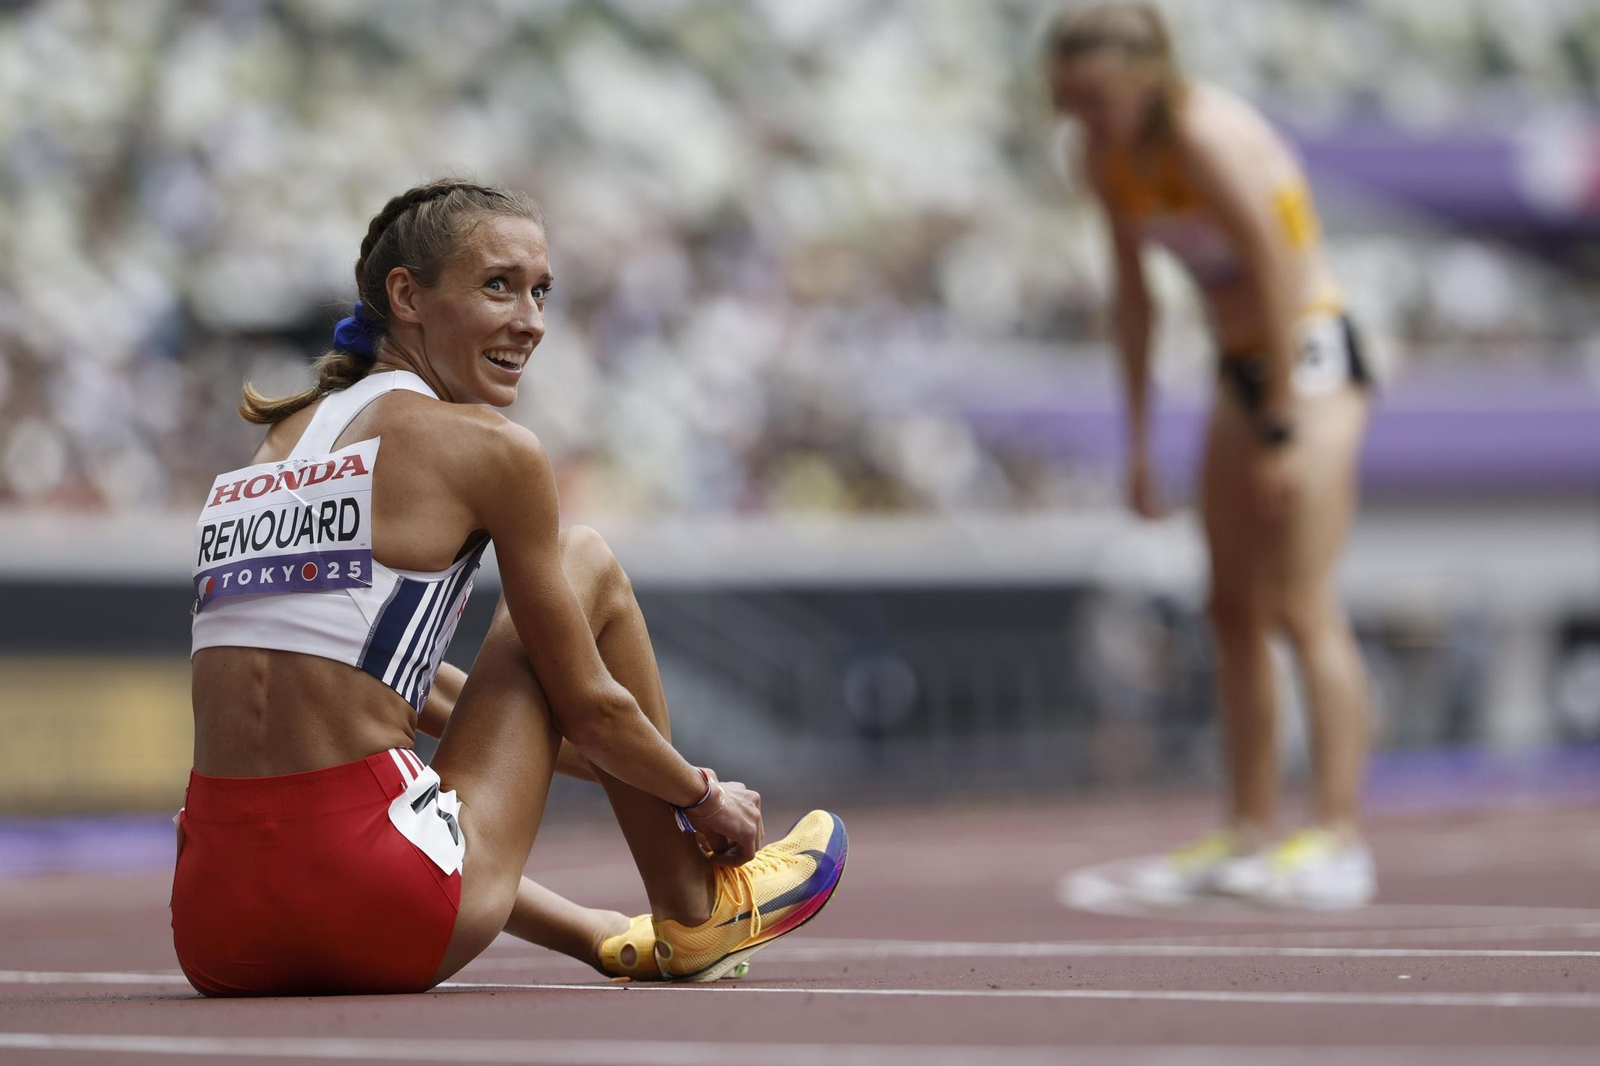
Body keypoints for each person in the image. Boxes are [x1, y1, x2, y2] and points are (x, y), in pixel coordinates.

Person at [172, 179, 847, 995]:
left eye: (541, 292)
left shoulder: (275, 449)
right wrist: (699, 796)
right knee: (583, 557)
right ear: (406, 296)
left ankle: (607, 924)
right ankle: (700, 907)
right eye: (499, 285)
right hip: (377, 906)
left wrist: (651, 787)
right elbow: (592, 712)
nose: (530, 321)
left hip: (215, 925)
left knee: (376, 797)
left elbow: (385, 699)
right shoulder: (488, 447)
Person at [1046, 4, 1375, 907]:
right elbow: (1136, 302)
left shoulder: (1206, 137)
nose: (1088, 117)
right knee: (1230, 606)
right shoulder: (1106, 159)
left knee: (1302, 600)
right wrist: (1141, 441)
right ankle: (1249, 831)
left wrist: (1280, 430)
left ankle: (1340, 838)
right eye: (1072, 102)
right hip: (1240, 368)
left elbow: (1278, 271)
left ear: (1149, 76)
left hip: (1309, 356)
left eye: (1101, 98)